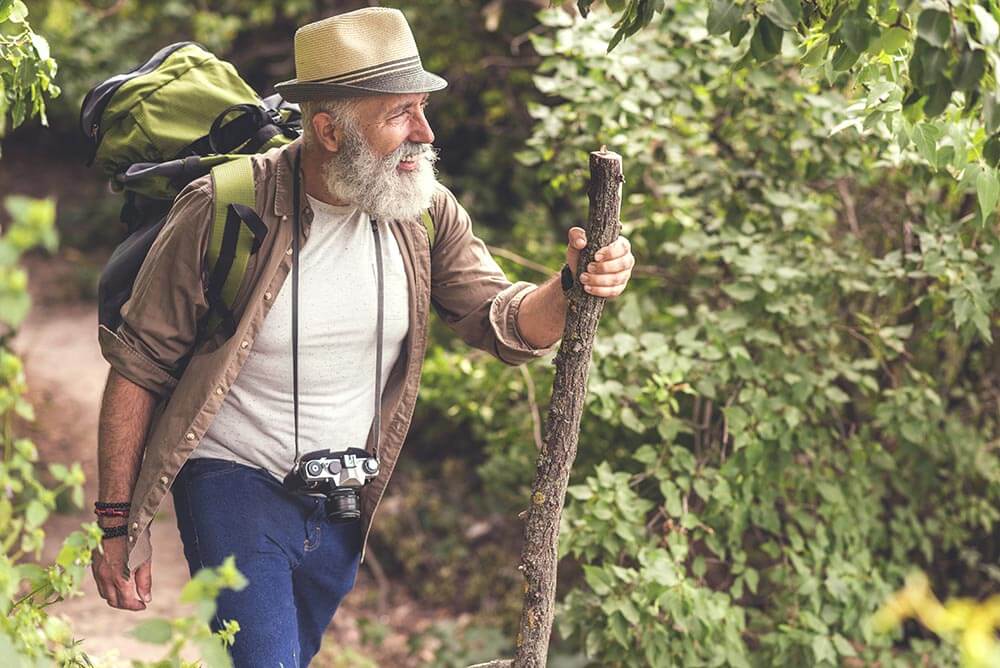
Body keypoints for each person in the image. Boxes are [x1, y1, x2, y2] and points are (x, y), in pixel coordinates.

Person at [90, 7, 635, 666]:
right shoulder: (227, 206)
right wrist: (118, 525)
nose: (425, 133)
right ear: (328, 130)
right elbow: (139, 365)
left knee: (292, 652)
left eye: (423, 108)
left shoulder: (423, 211)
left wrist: (570, 283)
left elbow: (505, 321)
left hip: (344, 495)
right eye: (400, 113)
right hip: (231, 479)